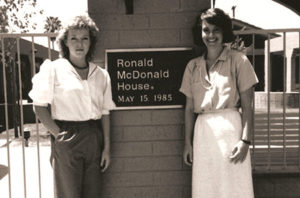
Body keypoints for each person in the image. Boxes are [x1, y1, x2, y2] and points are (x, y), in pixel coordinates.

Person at [29, 15, 115, 198]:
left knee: (93, 193)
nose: (79, 43)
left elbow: (105, 111)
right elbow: (39, 106)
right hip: (67, 134)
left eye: (85, 38)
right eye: (73, 38)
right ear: (65, 42)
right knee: (68, 194)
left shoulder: (101, 75)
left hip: (93, 135)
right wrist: (59, 135)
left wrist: (106, 147)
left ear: (91, 42)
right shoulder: (54, 69)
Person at [179, 8, 258, 198]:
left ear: (224, 32)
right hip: (203, 133)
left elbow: (248, 106)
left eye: (216, 30)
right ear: (200, 33)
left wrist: (245, 140)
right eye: (206, 30)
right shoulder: (192, 66)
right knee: (206, 187)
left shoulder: (239, 61)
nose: (211, 35)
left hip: (230, 130)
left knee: (234, 186)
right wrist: (188, 144)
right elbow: (190, 109)